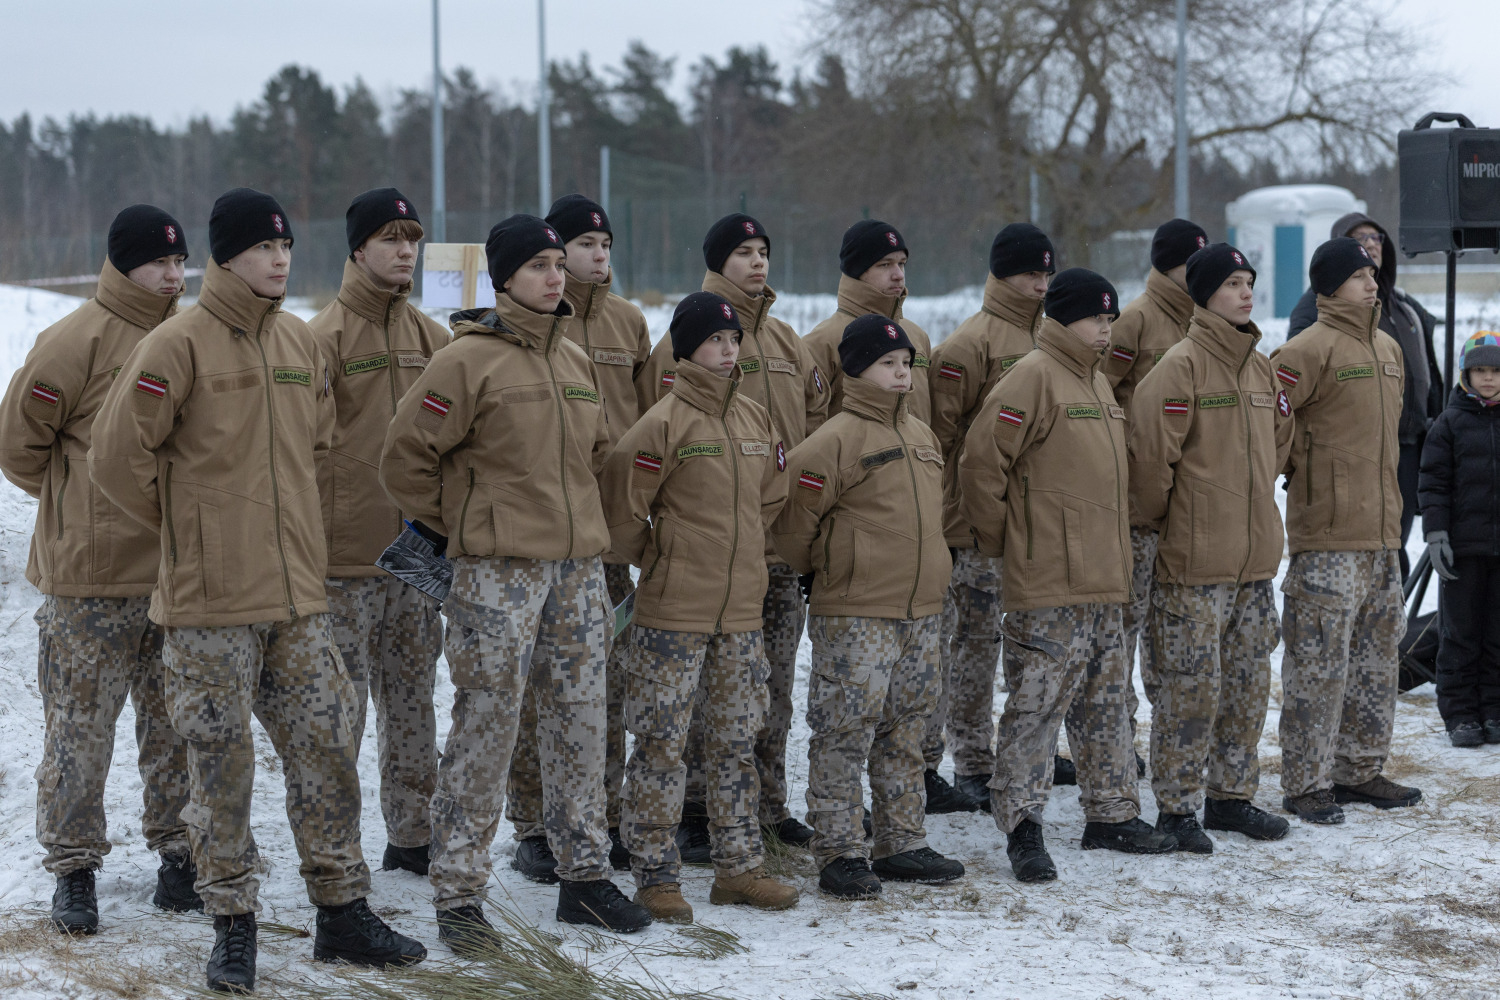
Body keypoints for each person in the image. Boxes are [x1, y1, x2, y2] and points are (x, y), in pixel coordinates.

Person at [90, 188, 426, 992]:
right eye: (262, 248)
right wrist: (191, 536)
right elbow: (115, 462)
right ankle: (232, 922)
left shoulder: (301, 343)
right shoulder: (177, 345)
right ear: (226, 256)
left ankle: (341, 912)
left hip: (297, 599)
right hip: (210, 605)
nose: (279, 260)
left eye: (285, 247)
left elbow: (317, 447)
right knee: (220, 768)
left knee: (326, 750)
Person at [380, 214, 652, 951]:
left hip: (576, 572)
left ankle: (584, 878)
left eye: (559, 264)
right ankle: (459, 895)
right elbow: (405, 459)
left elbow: (595, 457)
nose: (555, 276)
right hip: (497, 575)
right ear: (502, 278)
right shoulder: (465, 362)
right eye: (538, 265)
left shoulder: (575, 361)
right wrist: (471, 525)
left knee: (580, 721)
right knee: (487, 726)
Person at [0, 205, 196, 936]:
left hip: (172, 574)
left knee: (174, 725)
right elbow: (19, 446)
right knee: (79, 730)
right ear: (122, 265)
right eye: (159, 264)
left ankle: (179, 854)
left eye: (180, 263)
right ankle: (74, 868)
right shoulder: (74, 341)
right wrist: (77, 503)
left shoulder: (192, 338)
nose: (173, 277)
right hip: (89, 579)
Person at [959, 268, 1178, 883]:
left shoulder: (1097, 382)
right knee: (1036, 705)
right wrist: (1011, 544)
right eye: (1094, 319)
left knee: (1106, 701)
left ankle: (1112, 813)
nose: (1105, 330)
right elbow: (980, 465)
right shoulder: (1031, 377)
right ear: (1060, 319)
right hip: (1049, 581)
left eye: (1110, 319)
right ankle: (1022, 825)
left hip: (1103, 577)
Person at [601, 291, 798, 924]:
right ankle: (656, 876)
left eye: (734, 340)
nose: (728, 350)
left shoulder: (754, 418)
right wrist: (667, 556)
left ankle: (739, 869)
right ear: (686, 349)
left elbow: (774, 494)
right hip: (672, 615)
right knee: (661, 745)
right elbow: (622, 511)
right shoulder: (663, 424)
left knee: (735, 742)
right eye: (715, 340)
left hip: (740, 613)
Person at [637, 214, 829, 854]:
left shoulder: (786, 341)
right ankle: (694, 811)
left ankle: (766, 806)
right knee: (697, 694)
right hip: (703, 554)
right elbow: (654, 441)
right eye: (743, 252)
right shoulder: (685, 339)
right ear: (718, 261)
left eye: (764, 251)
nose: (758, 262)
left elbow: (814, 428)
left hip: (776, 549)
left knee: (768, 686)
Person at [773, 313, 963, 899]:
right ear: (856, 369)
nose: (902, 374)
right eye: (888, 363)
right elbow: (792, 530)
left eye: (906, 363)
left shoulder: (922, 436)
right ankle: (839, 850)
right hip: (857, 612)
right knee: (844, 728)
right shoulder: (831, 442)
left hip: (920, 611)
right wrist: (833, 570)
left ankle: (901, 840)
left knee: (906, 729)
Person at [1127, 243, 1293, 853]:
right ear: (1203, 294)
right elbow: (1150, 466)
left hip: (1252, 563)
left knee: (1247, 685)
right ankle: (1177, 807)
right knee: (1190, 689)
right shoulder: (1179, 367)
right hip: (1194, 566)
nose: (1246, 293)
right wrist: (1187, 523)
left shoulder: (1260, 368)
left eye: (1249, 282)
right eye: (1231, 284)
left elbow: (1280, 440)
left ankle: (1231, 797)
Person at [508, 194, 653, 882]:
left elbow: (651, 420)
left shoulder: (629, 322)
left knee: (604, 685)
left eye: (606, 244)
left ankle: (603, 812)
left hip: (607, 535)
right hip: (537, 534)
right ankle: (533, 822)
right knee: (533, 686)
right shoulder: (529, 329)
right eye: (585, 244)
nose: (599, 256)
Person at [307, 188, 449, 879]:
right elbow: (300, 449)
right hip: (344, 559)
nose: (405, 250)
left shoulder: (435, 341)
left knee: (414, 702)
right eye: (390, 238)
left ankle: (413, 835)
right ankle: (336, 851)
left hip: (416, 559)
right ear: (358, 249)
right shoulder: (321, 338)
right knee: (340, 713)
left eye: (413, 238)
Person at [1270, 236, 1423, 825]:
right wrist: (1304, 479)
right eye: (1359, 275)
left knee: (1377, 661)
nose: (1370, 282)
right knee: (1318, 665)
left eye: (1372, 273)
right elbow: (1271, 433)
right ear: (1331, 285)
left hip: (1382, 535)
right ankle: (1305, 782)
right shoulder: (1303, 350)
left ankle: (1358, 769)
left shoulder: (1387, 347)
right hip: (1328, 537)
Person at [924, 222, 1054, 814]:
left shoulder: (1050, 337)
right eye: (1030, 274)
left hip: (1034, 521)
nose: (1041, 285)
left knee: (1031, 644)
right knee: (975, 645)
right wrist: (963, 516)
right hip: (976, 526)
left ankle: (1021, 756)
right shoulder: (968, 346)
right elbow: (942, 440)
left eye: (1046, 274)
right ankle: (972, 760)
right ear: (1002, 274)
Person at [1287, 212, 1443, 580]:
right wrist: (1307, 468)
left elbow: (1427, 373)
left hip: (1403, 449)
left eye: (1377, 237)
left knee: (1392, 547)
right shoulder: (1312, 312)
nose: (1371, 244)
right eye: (1360, 238)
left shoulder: (1402, 307)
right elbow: (1288, 408)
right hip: (1345, 463)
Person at [1101, 219, 1208, 736]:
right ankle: (1118, 734)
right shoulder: (1136, 321)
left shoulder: (1207, 320)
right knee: (1127, 619)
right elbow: (1098, 391)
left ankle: (1173, 733)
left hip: (1186, 497)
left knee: (1175, 622)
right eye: (1192, 264)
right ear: (1169, 267)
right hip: (1137, 499)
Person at [1418, 331, 1500, 747]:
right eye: (1479, 370)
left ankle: (1494, 709)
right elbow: (1433, 483)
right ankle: (1461, 714)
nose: (1488, 378)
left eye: (1496, 371)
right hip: (1462, 550)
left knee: (1497, 635)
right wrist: (1436, 534)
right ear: (1465, 374)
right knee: (1460, 635)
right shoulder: (1448, 423)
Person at [802, 220, 934, 424]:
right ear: (857, 270)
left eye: (901, 264)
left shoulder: (916, 336)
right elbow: (807, 424)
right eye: (885, 265)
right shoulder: (823, 342)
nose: (898, 275)